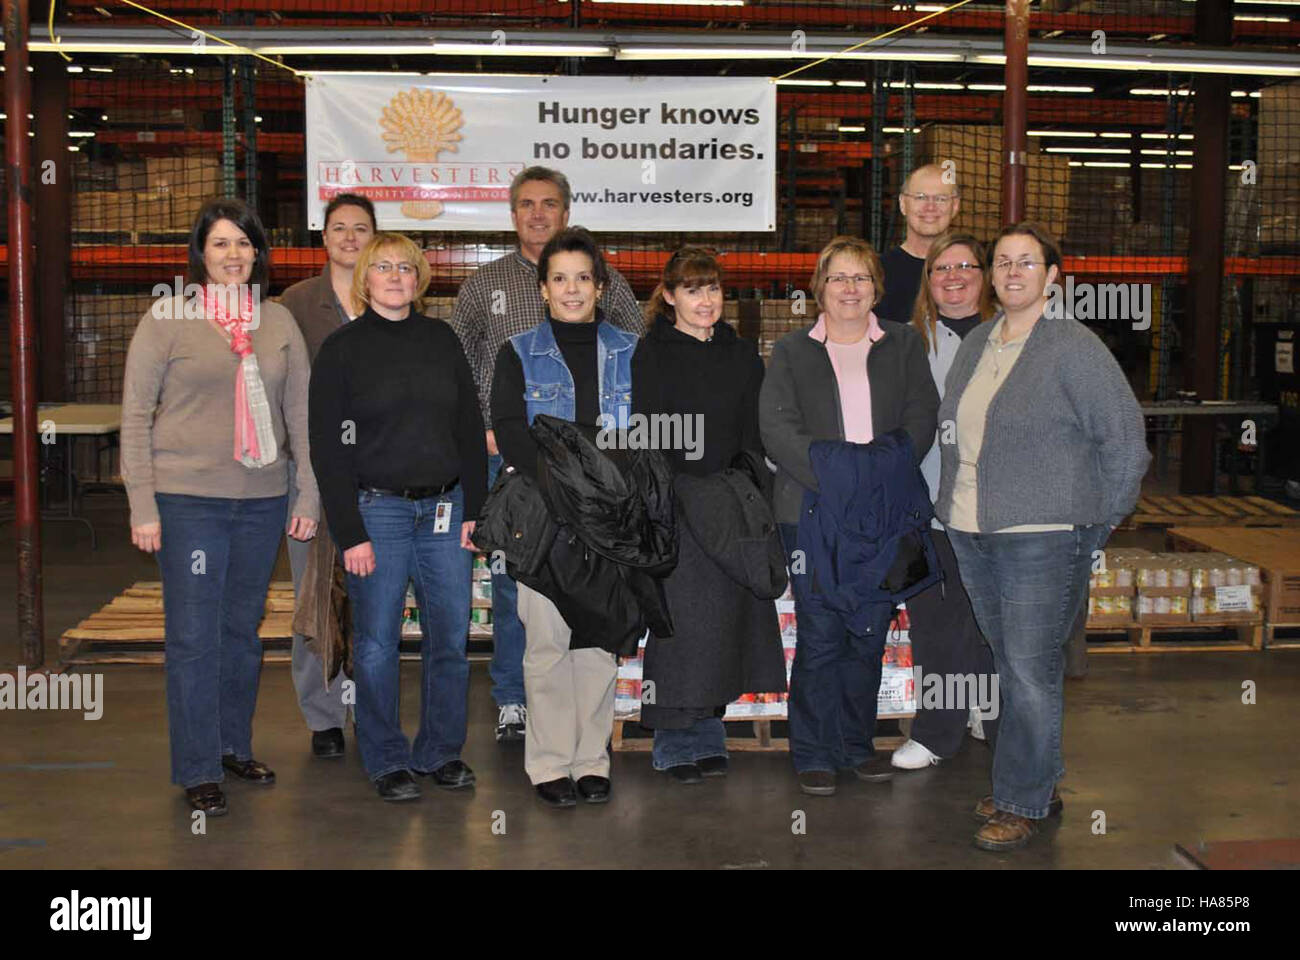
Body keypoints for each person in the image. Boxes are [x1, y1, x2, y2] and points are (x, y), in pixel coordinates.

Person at [935, 221, 1150, 851]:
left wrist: (1100, 521)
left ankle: (1022, 799)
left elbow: (1125, 441)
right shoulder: (980, 342)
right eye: (1002, 261)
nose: (1012, 272)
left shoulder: (1074, 348)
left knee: (1030, 672)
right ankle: (1034, 783)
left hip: (1044, 536)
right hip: (972, 528)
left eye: (1026, 262)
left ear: (1052, 277)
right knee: (1013, 665)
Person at [121, 197, 319, 817]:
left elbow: (302, 415)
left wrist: (308, 492)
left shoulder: (278, 322)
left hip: (262, 501)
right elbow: (134, 415)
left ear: (258, 252)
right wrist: (142, 503)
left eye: (244, 243)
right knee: (193, 636)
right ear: (201, 255)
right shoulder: (168, 318)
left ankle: (233, 746)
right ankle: (198, 767)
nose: (234, 254)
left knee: (241, 632)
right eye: (220, 243)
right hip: (188, 502)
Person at [450, 166, 644, 744]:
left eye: (550, 203)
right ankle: (514, 698)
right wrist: (484, 427)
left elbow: (635, 354)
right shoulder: (483, 284)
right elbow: (458, 361)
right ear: (513, 214)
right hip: (513, 459)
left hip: (604, 479)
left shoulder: (609, 283)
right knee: (520, 585)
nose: (538, 213)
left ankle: (585, 741)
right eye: (528, 204)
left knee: (591, 599)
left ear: (566, 211)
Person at [309, 233, 487, 802]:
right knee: (377, 644)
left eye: (405, 267)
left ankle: (440, 752)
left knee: (449, 639)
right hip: (376, 512)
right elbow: (327, 448)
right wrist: (349, 531)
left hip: (446, 509)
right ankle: (386, 757)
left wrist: (475, 510)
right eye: (382, 266)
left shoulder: (441, 340)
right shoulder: (341, 350)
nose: (394, 276)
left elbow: (468, 427)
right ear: (365, 277)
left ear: (419, 279)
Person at [759, 236, 939, 797]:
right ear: (820, 288)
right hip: (811, 512)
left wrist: (873, 478)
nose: (850, 288)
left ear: (876, 289)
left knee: (867, 632)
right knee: (820, 633)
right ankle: (813, 750)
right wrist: (840, 477)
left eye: (861, 277)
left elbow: (922, 417)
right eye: (838, 277)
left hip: (885, 515)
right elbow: (777, 429)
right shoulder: (792, 351)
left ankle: (855, 745)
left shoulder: (904, 344)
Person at [490, 226, 638, 808]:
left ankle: (591, 758)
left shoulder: (631, 350)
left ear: (600, 286)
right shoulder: (518, 352)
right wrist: (565, 490)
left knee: (598, 642)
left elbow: (644, 430)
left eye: (582, 278)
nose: (571, 289)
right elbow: (510, 430)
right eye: (559, 278)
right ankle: (550, 762)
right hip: (545, 516)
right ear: (543, 289)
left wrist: (609, 495)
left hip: (610, 518)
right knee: (548, 642)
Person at [631, 247, 787, 784]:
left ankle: (707, 734)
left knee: (723, 626)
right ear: (669, 296)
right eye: (693, 289)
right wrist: (669, 500)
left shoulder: (741, 355)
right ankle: (674, 740)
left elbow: (752, 435)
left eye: (713, 288)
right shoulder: (651, 354)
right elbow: (647, 434)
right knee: (680, 628)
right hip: (676, 505)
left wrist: (742, 491)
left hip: (727, 505)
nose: (706, 300)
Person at [891, 232, 999, 771]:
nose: (953, 277)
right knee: (935, 621)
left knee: (999, 624)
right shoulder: (907, 343)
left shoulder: (1011, 336)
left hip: (1000, 512)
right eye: (941, 269)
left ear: (985, 276)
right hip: (929, 508)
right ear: (928, 281)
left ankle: (998, 723)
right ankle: (937, 733)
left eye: (965, 267)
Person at [278, 192, 375, 760]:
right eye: (339, 228)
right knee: (315, 593)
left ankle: (369, 703)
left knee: (371, 593)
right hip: (313, 470)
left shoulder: (389, 291)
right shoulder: (295, 303)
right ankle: (324, 715)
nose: (349, 238)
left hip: (379, 470)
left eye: (360, 228)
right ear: (324, 237)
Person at [874, 164, 961, 325]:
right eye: (920, 197)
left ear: (955, 206)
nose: (930, 207)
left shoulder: (970, 272)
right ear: (903, 204)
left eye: (941, 199)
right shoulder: (877, 272)